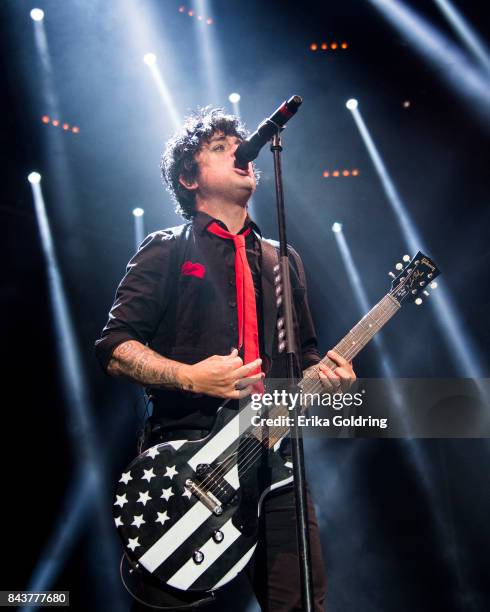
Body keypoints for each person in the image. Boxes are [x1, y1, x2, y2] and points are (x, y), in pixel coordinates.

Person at [95, 108, 356, 611]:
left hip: (276, 464)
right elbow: (114, 348)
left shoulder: (284, 259)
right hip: (188, 465)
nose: (240, 152)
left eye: (240, 144)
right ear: (190, 178)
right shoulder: (166, 250)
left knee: (302, 602)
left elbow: (303, 359)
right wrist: (189, 376)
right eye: (220, 146)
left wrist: (328, 381)